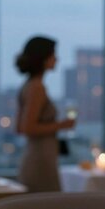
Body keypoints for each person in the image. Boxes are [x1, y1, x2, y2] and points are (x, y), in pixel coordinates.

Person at [16, 36, 75, 192]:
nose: (56, 58)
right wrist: (62, 125)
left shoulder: (27, 85)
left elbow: (19, 127)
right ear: (43, 58)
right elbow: (28, 128)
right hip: (41, 160)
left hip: (34, 156)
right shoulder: (37, 88)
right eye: (53, 54)